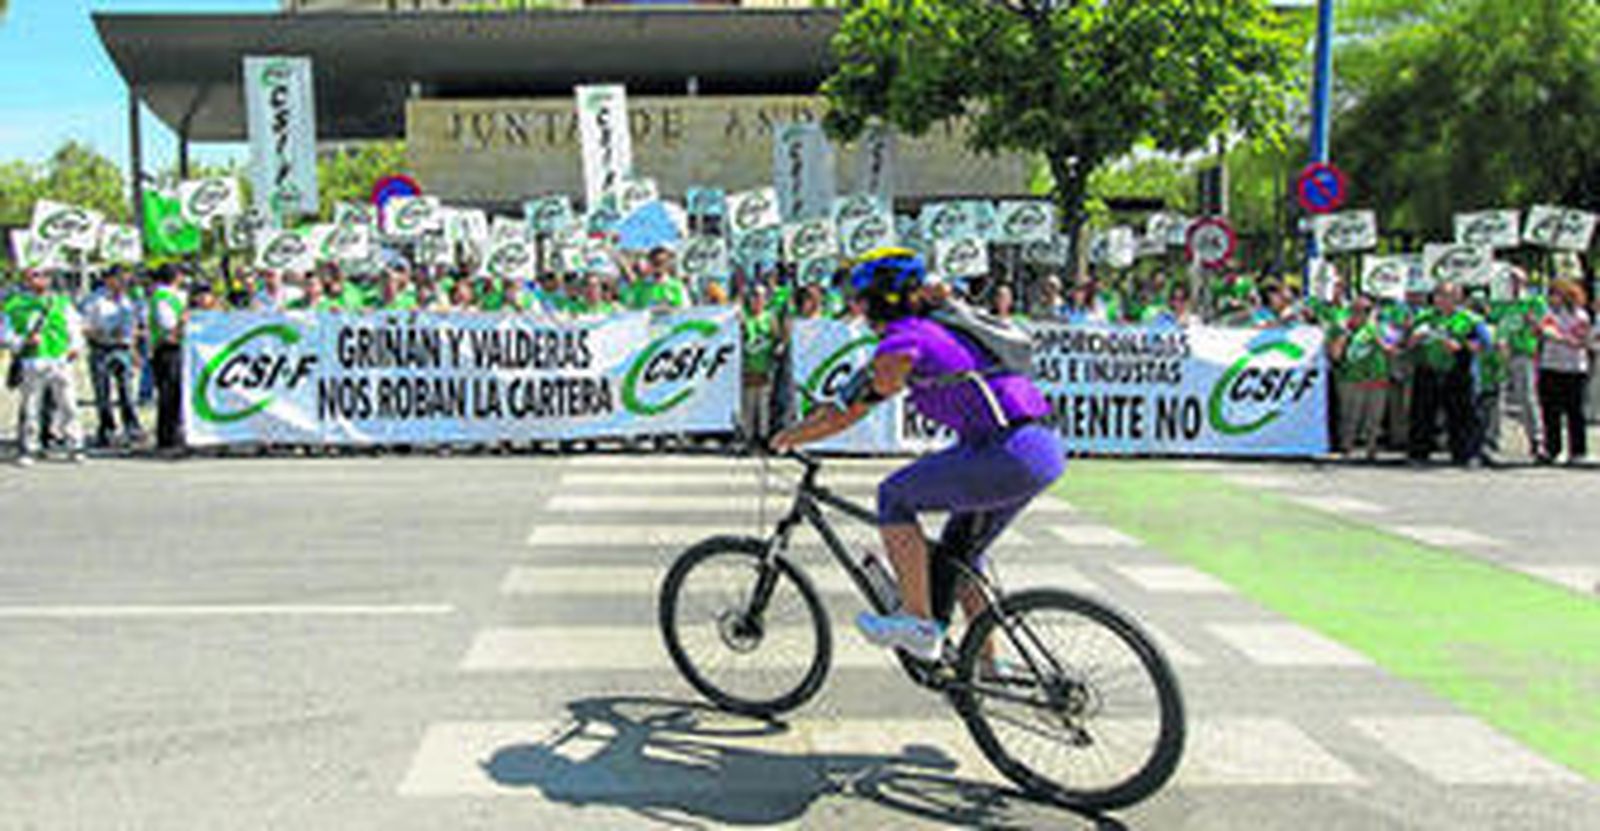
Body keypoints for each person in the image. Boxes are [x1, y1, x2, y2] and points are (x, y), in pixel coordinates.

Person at [770, 249, 1063, 663]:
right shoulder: (930, 327)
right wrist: (803, 424)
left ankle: (918, 622)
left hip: (1007, 453)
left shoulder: (905, 341)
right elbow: (844, 399)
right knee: (961, 561)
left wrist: (783, 439)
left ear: (882, 299)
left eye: (861, 299)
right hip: (1036, 447)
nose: (856, 308)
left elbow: (847, 415)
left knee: (894, 496)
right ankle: (987, 666)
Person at [2, 269, 87, 466]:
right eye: (36, 275)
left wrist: (75, 346)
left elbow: (74, 326)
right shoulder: (14, 305)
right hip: (32, 359)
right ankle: (30, 446)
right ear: (26, 279)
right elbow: (5, 334)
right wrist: (23, 341)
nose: (42, 279)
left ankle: (75, 442)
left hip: (59, 358)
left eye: (45, 275)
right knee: (31, 405)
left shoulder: (61, 302)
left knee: (68, 403)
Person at [1406, 284, 1489, 465]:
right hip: (1428, 368)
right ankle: (1418, 453)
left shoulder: (1470, 319)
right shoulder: (1424, 317)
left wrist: (1462, 346)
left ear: (1458, 298)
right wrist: (1413, 339)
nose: (1442, 300)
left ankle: (1465, 453)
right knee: (1422, 413)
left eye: (1448, 296)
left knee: (1461, 413)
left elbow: (1485, 343)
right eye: (1439, 295)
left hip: (1457, 369)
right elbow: (1404, 341)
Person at [79, 267, 144, 448]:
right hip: (101, 348)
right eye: (119, 279)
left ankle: (132, 427)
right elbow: (83, 326)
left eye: (125, 280)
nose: (123, 283)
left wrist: (134, 349)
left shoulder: (128, 301)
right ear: (108, 280)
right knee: (103, 392)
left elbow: (134, 326)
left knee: (127, 391)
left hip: (123, 348)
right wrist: (102, 332)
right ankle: (107, 428)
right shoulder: (95, 300)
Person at [1328, 294, 1398, 459]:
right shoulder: (1340, 328)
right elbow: (1334, 355)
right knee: (1349, 415)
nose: (1360, 315)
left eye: (1366, 311)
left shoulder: (1379, 328)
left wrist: (1379, 338)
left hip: (1377, 378)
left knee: (1374, 416)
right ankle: (1346, 447)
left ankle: (1371, 448)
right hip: (1351, 378)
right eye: (1356, 310)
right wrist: (1344, 335)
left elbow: (1392, 348)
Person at [1536, 280, 1591, 465]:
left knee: (1575, 411)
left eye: (1556, 294)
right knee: (1550, 411)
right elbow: (1545, 329)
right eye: (1551, 294)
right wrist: (1547, 332)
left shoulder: (1580, 315)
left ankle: (1578, 451)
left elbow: (1579, 339)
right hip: (1550, 366)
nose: (1552, 298)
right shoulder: (1548, 313)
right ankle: (1552, 449)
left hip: (1574, 368)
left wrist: (1558, 336)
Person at [147, 265, 188, 454]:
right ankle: (167, 437)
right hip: (167, 349)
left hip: (176, 347)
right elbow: (167, 325)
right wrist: (183, 320)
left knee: (176, 394)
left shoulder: (173, 296)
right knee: (168, 394)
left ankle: (174, 433)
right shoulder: (162, 297)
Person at [740, 284, 779, 445]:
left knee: (763, 406)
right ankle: (747, 437)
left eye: (760, 296)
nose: (757, 300)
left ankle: (763, 437)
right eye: (754, 296)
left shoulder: (770, 317)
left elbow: (776, 338)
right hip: (746, 368)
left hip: (764, 367)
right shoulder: (744, 317)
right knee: (748, 406)